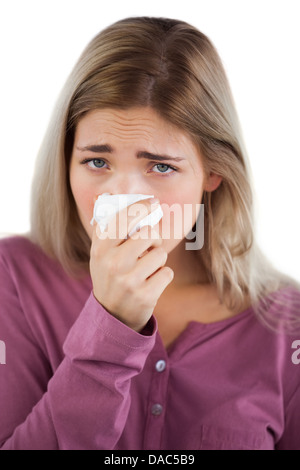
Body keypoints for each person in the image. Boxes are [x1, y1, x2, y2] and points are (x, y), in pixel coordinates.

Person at [0, 16, 299, 451]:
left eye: (160, 166)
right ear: (66, 162)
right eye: (97, 162)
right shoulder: (14, 278)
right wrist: (111, 325)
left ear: (213, 172)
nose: (123, 198)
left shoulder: (286, 328)